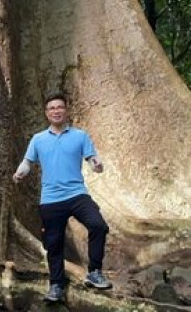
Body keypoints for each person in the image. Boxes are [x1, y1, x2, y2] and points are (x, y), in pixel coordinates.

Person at [13, 92, 112, 303]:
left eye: (60, 107)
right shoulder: (38, 139)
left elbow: (92, 157)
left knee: (98, 226)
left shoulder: (80, 136)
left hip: (77, 194)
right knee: (54, 243)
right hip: (50, 199)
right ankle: (56, 285)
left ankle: (94, 272)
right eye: (52, 108)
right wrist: (20, 172)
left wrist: (97, 164)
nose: (56, 111)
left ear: (66, 110)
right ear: (46, 113)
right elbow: (27, 162)